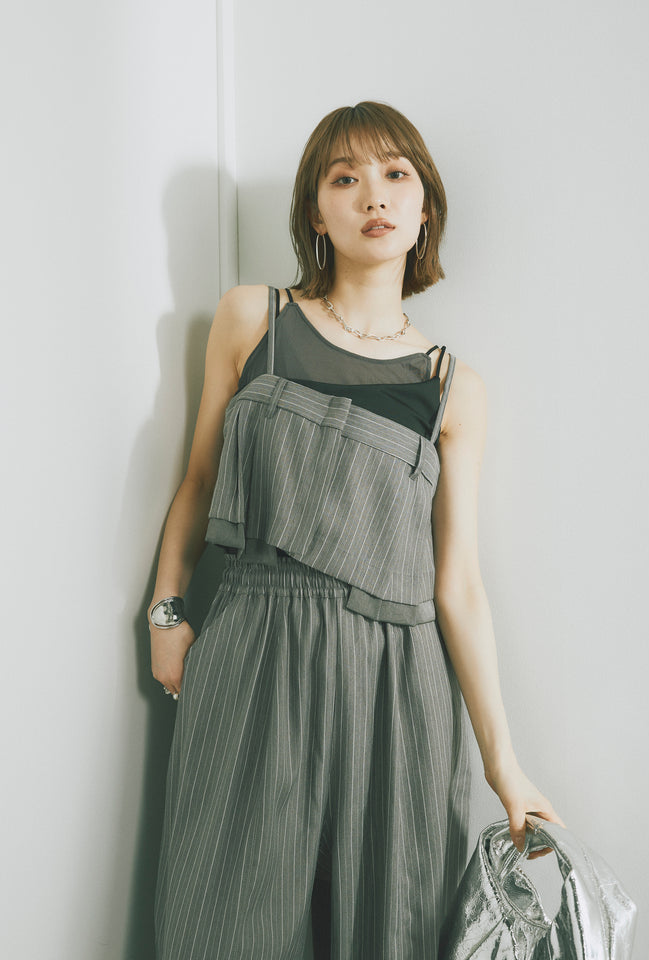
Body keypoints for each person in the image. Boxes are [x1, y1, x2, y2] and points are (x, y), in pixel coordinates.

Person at [149, 101, 563, 960]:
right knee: (223, 916)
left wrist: (505, 765)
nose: (373, 194)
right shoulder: (254, 320)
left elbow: (459, 585)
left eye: (395, 174)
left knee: (389, 923)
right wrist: (165, 611)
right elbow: (198, 481)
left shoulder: (451, 388)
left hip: (396, 682)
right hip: (255, 648)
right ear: (316, 213)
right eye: (345, 178)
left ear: (424, 208)